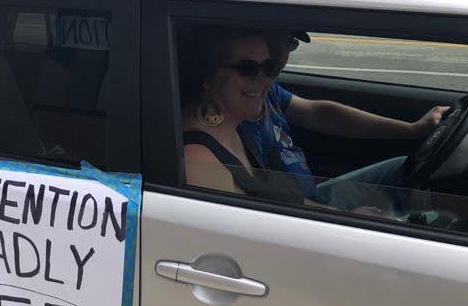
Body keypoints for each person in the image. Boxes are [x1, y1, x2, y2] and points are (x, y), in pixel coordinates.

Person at [239, 29, 447, 211]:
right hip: (302, 213)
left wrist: (412, 129)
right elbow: (267, 202)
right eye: (281, 41)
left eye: (291, 43)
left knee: (404, 169)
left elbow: (318, 113)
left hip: (312, 198)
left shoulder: (268, 91)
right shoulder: (237, 115)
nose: (284, 55)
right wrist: (343, 218)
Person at [179, 25, 307, 205]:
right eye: (247, 69)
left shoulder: (233, 127)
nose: (265, 80)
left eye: (270, 67)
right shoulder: (198, 159)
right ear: (208, 76)